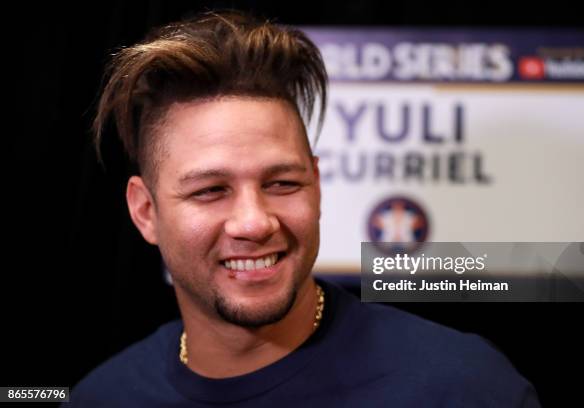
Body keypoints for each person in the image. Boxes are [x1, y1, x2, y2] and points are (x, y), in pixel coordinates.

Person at [66, 10, 540, 407]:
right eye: (210, 190)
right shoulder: (103, 397)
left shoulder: (467, 388)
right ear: (145, 211)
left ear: (315, 184)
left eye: (282, 183)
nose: (254, 222)